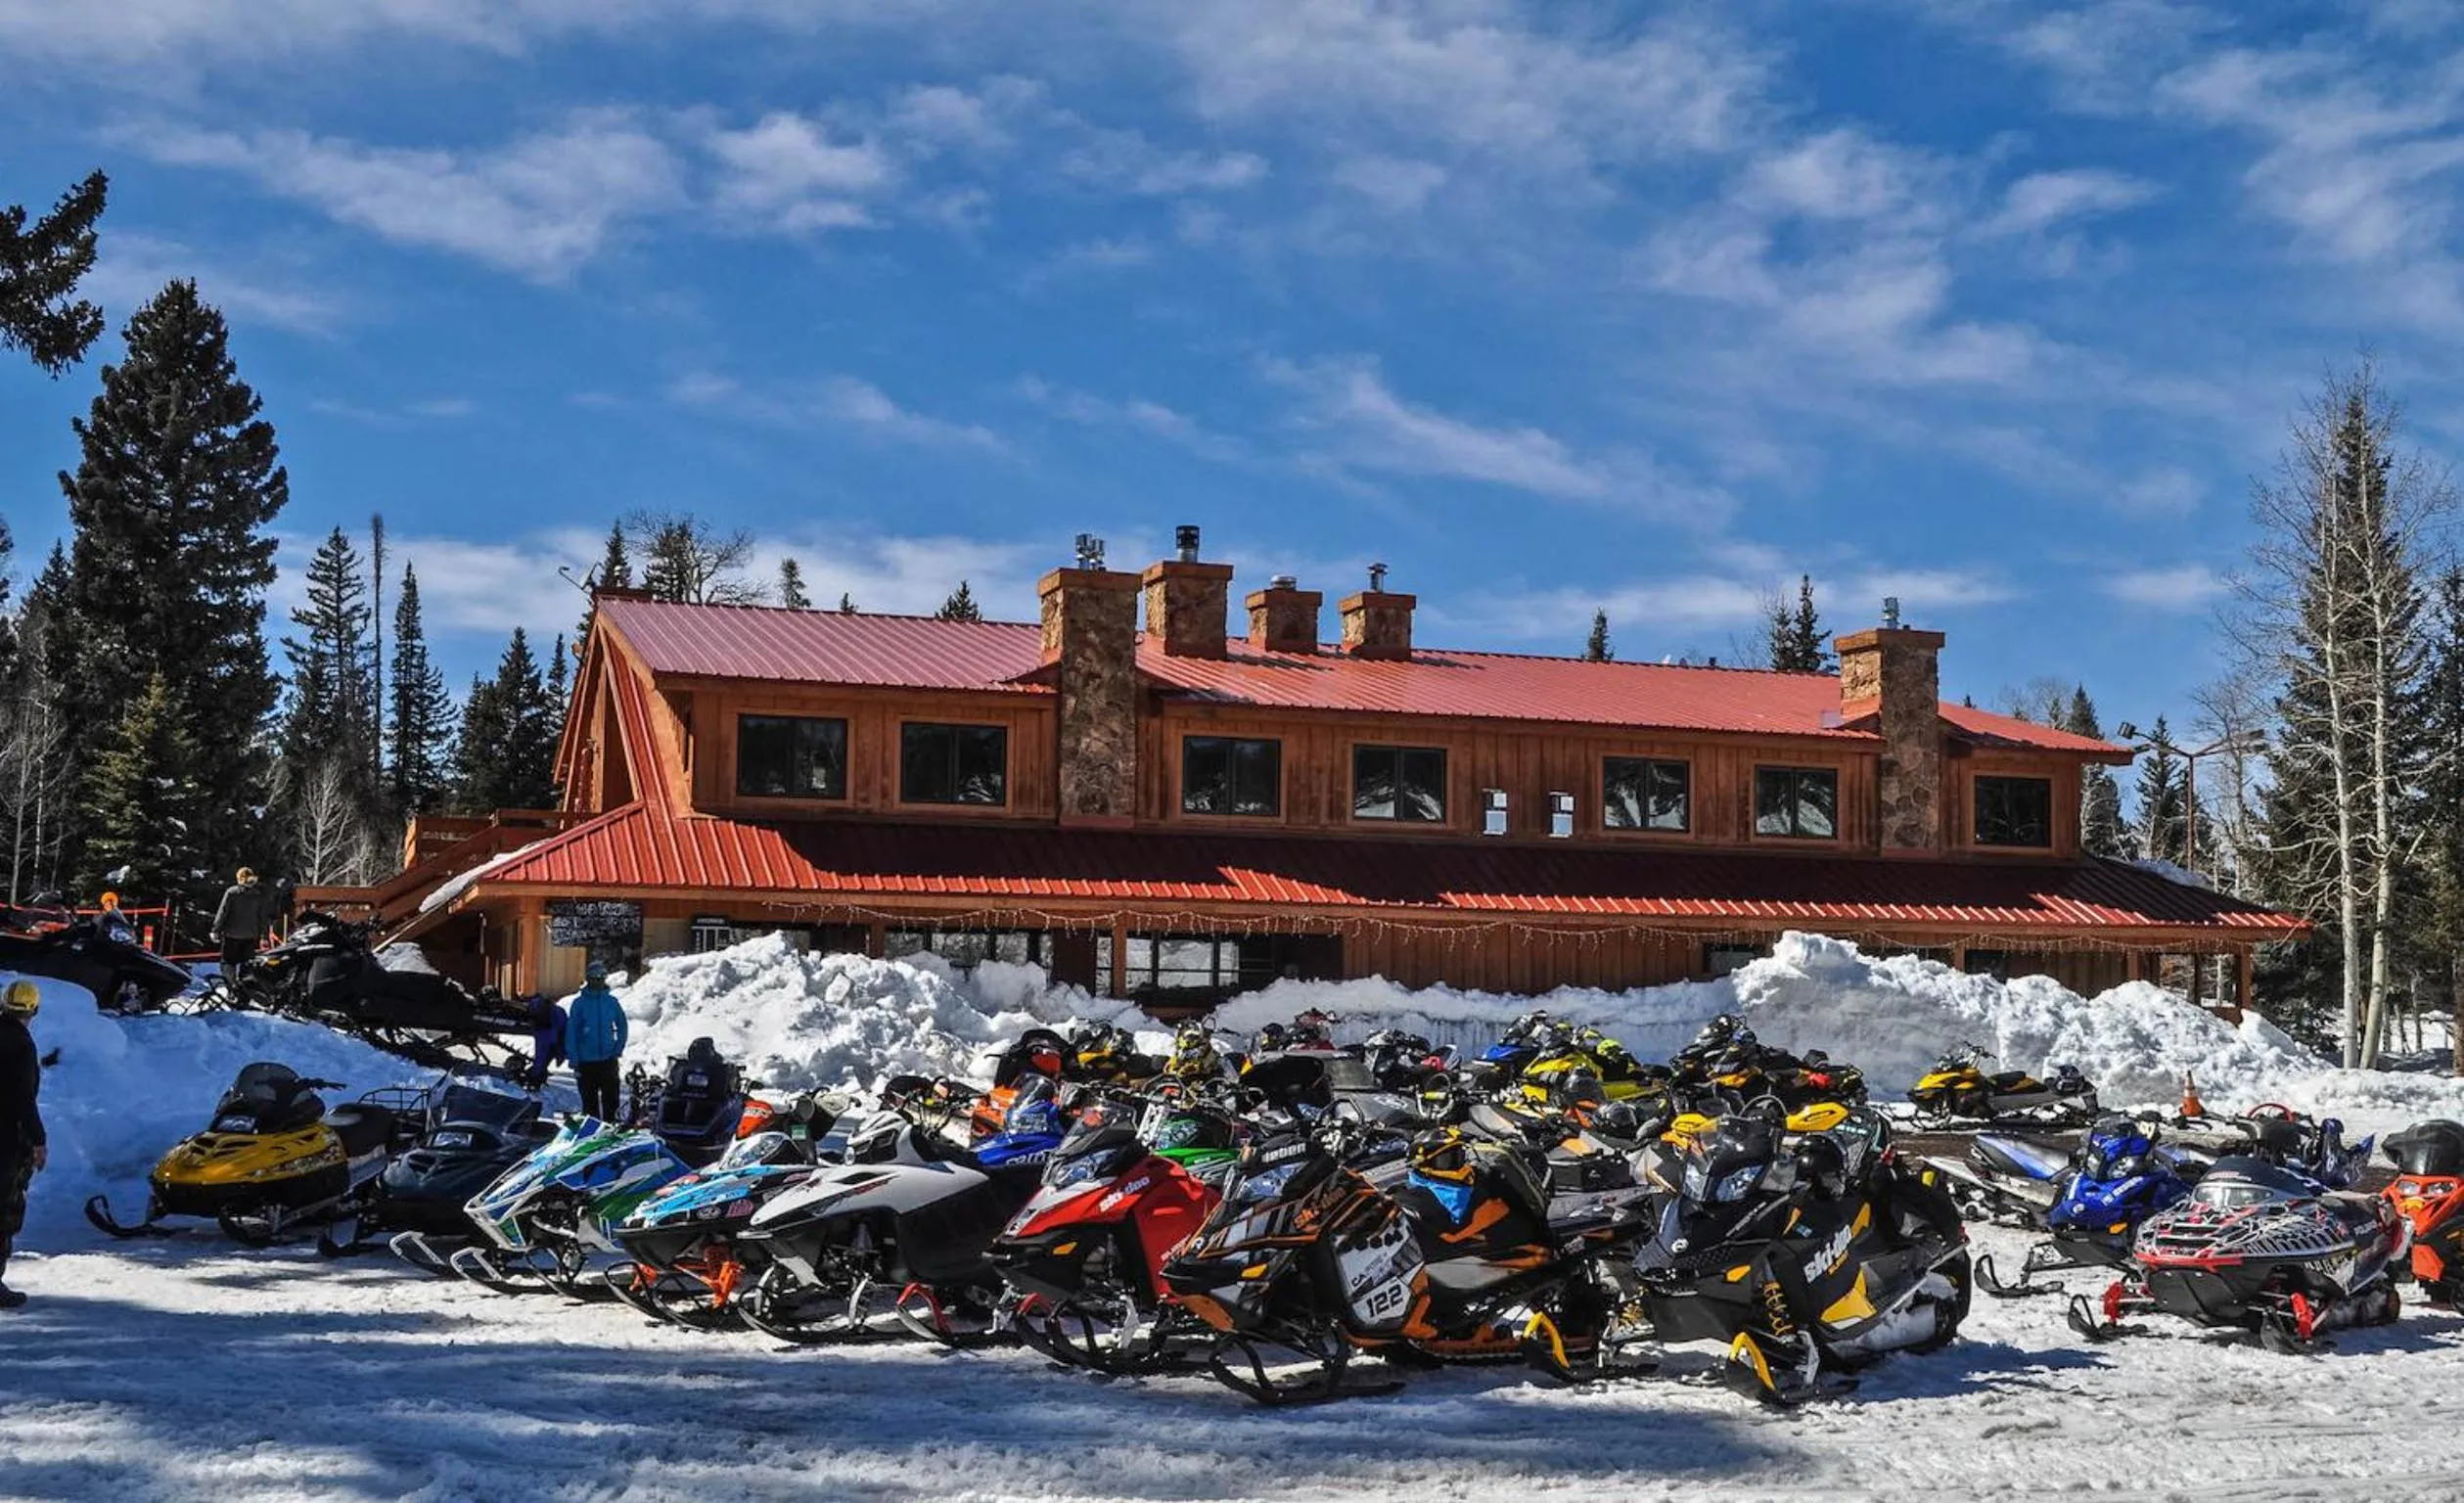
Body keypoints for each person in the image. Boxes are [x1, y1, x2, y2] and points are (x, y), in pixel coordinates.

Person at [0, 979, 47, 1310]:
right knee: (4, 1210)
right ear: (34, 1009)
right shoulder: (21, 1045)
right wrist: (38, 1141)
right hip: (6, 1138)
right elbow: (23, 1098)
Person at [566, 961, 628, 1122]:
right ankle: (592, 1138)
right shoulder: (579, 1004)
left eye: (602, 977)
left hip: (608, 1060)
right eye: (594, 977)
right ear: (588, 979)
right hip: (586, 1062)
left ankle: (611, 1135)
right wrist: (574, 1058)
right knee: (590, 1105)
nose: (598, 981)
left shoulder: (611, 1002)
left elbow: (622, 1025)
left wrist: (617, 1048)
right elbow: (571, 1032)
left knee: (612, 1103)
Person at [211, 868, 271, 977]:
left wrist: (216, 930)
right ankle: (245, 989)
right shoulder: (258, 895)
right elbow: (263, 918)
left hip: (231, 935)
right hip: (250, 936)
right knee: (247, 964)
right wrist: (264, 937)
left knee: (228, 963)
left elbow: (223, 912)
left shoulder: (232, 892)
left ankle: (232, 986)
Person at [523, 993, 566, 1094]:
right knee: (545, 1057)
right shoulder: (556, 1010)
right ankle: (537, 1077)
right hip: (552, 1033)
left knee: (542, 1057)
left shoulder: (542, 1011)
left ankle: (535, 1079)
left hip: (547, 1032)